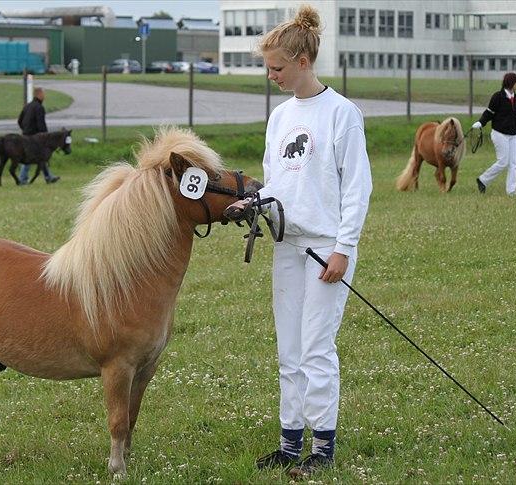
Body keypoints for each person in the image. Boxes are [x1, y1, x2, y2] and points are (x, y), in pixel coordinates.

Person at [225, 4, 372, 478]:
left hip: (325, 247)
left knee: (316, 348)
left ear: (303, 62)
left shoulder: (342, 114)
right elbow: (278, 183)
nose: (270, 75)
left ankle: (322, 447)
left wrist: (343, 249)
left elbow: (357, 188)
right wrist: (254, 202)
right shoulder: (279, 117)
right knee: (288, 349)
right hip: (286, 244)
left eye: (277, 67)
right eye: (268, 67)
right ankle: (290, 443)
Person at [472, 72, 516, 196]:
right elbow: (489, 113)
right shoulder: (497, 97)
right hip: (499, 134)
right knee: (503, 162)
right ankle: (483, 180)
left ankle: (512, 191)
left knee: (514, 163)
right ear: (511, 83)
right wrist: (480, 123)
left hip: (513, 135)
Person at [17, 87, 60, 184]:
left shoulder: (27, 106)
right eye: (43, 94)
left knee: (40, 157)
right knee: (30, 157)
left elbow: (19, 120)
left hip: (25, 136)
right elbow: (41, 124)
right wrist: (45, 135)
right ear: (39, 95)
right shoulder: (39, 107)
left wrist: (24, 130)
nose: (44, 96)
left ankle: (48, 176)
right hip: (35, 138)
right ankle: (22, 178)